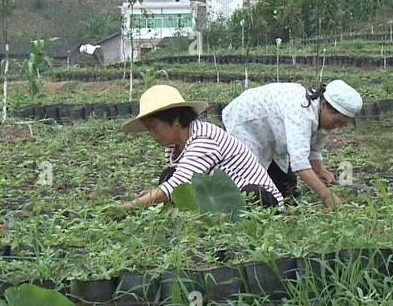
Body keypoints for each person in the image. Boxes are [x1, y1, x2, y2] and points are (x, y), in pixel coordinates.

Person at [121, 85, 282, 211]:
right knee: (168, 175)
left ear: (175, 119)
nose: (152, 134)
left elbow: (180, 183)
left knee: (251, 194)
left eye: (154, 127)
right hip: (221, 198)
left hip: (259, 198)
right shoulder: (174, 146)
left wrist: (131, 206)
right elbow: (181, 181)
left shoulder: (204, 138)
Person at [221, 80, 362, 211]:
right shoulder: (301, 112)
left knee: (287, 187)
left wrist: (320, 170)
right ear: (324, 105)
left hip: (271, 132)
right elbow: (300, 163)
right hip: (246, 122)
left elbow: (313, 150)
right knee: (253, 178)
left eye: (342, 124)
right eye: (336, 121)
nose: (336, 126)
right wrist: (327, 196)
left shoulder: (322, 118)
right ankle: (235, 210)